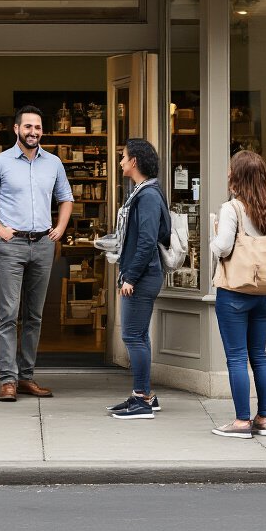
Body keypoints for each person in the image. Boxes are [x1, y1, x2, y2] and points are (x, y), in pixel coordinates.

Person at [0, 105, 73, 402]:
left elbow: (66, 198)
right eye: (28, 126)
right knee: (8, 314)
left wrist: (60, 228)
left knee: (34, 315)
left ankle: (26, 377)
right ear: (16, 129)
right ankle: (8, 380)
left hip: (43, 245)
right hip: (11, 246)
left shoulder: (54, 163)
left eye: (38, 127)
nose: (33, 132)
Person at [208, 150, 266, 439]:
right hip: (265, 294)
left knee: (236, 357)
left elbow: (222, 248)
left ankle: (242, 422)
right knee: (259, 355)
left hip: (235, 293)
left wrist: (212, 236)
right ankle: (264, 419)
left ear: (237, 176)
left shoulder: (232, 209)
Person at [106, 139, 170, 420]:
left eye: (123, 157)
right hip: (143, 274)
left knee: (132, 335)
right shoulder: (143, 192)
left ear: (134, 161)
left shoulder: (148, 196)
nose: (120, 161)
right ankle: (145, 396)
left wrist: (130, 276)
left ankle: (141, 400)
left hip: (141, 276)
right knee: (139, 335)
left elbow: (147, 240)